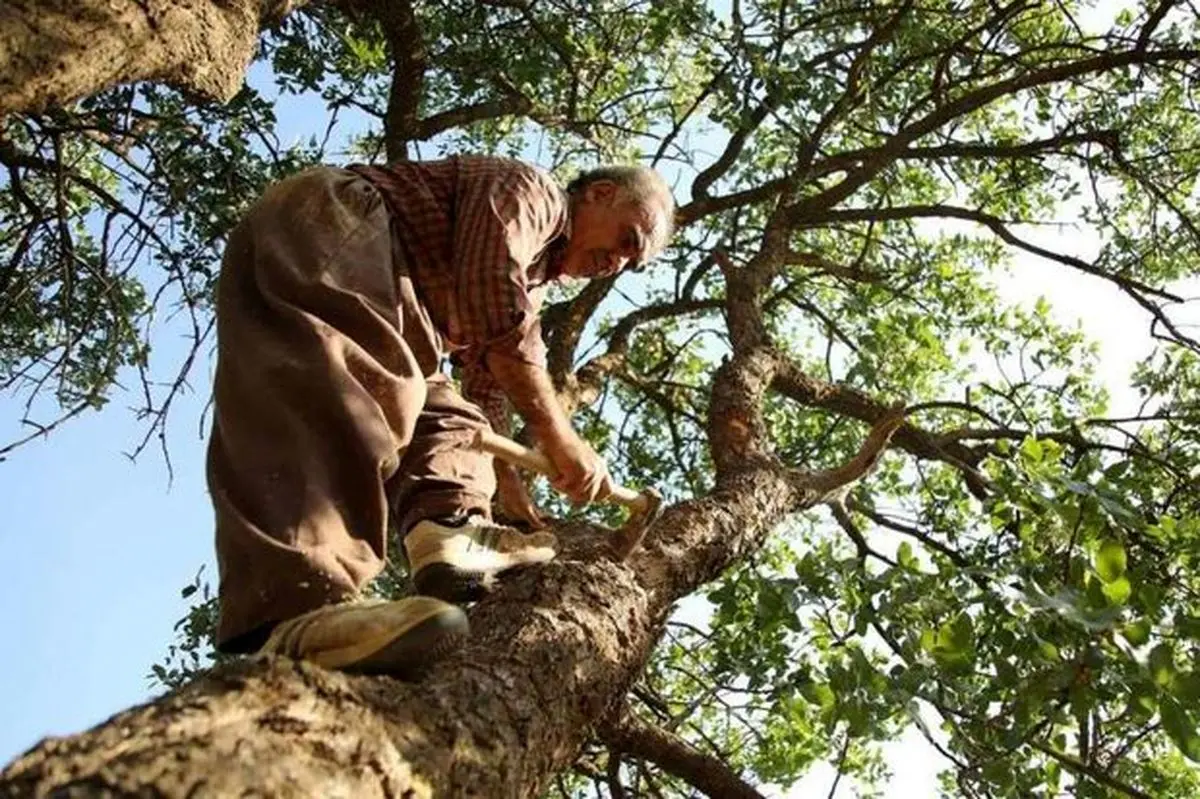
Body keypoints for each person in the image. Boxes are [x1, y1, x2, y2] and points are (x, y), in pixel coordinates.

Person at [205, 155, 674, 674]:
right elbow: (494, 300)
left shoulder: (534, 284)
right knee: (338, 396)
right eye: (629, 240)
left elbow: (490, 380)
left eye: (635, 265)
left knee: (452, 417)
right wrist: (560, 437)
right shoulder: (531, 193)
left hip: (403, 306)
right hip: (343, 228)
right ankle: (297, 611)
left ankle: (450, 530)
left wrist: (505, 480)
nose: (620, 264)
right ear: (600, 194)